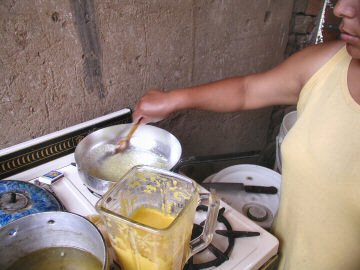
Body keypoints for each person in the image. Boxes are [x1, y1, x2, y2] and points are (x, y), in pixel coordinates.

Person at [133, 0, 360, 269]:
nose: (341, 9)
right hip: (276, 256)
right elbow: (248, 90)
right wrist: (172, 99)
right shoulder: (328, 63)